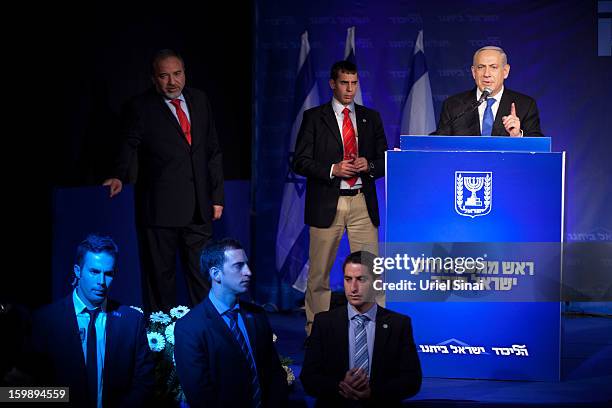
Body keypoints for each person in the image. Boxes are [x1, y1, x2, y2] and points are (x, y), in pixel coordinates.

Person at [103, 49, 224, 314]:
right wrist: (118, 175)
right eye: (164, 76)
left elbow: (212, 151)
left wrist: (216, 197)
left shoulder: (200, 100)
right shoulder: (140, 107)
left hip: (199, 209)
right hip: (159, 211)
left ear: (185, 73)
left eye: (177, 74)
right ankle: (162, 344)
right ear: (153, 79)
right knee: (160, 280)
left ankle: (204, 334)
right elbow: (128, 145)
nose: (172, 82)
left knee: (203, 277)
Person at [293, 60, 388, 335]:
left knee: (371, 271)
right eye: (344, 83)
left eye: (354, 83)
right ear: (332, 84)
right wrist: (332, 169)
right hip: (327, 202)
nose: (350, 89)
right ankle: (316, 332)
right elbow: (299, 161)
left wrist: (367, 165)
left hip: (361, 202)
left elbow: (384, 159)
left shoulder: (371, 117)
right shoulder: (314, 117)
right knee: (319, 273)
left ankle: (375, 330)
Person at [26, 234, 154, 407]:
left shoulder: (131, 321)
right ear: (78, 271)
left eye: (108, 274)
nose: (101, 282)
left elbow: (144, 382)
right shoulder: (45, 320)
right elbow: (29, 385)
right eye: (94, 271)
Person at [174, 238, 288, 408]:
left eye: (247, 265)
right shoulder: (190, 327)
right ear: (216, 274)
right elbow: (199, 394)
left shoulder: (257, 315)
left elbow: (274, 374)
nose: (248, 272)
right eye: (238, 266)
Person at [300, 251, 422, 407]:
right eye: (348, 279)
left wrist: (373, 393)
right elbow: (309, 378)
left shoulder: (399, 324)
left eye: (361, 279)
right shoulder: (324, 323)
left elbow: (412, 380)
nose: (353, 288)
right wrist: (340, 387)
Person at [433, 46, 543, 137]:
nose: (486, 74)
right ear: (473, 72)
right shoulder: (453, 105)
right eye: (481, 67)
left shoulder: (525, 105)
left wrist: (518, 135)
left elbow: (539, 148)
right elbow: (439, 143)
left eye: (493, 67)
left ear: (505, 71)